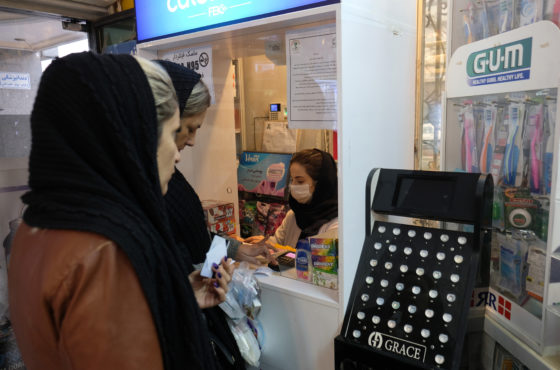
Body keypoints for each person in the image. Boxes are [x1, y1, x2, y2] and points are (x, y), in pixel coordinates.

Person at [8, 52, 233, 370]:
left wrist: (177, 298)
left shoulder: (39, 225)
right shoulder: (107, 252)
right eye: (172, 134)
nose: (179, 154)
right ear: (134, 138)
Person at [157, 60, 274, 266]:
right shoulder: (149, 185)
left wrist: (234, 250)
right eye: (188, 128)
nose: (192, 141)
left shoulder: (167, 175)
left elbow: (194, 239)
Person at [247, 148, 338, 248]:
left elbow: (320, 259)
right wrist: (265, 243)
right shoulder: (294, 216)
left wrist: (279, 248)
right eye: (292, 180)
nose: (293, 186)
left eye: (300, 181)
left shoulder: (336, 224)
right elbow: (277, 242)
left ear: (321, 184)